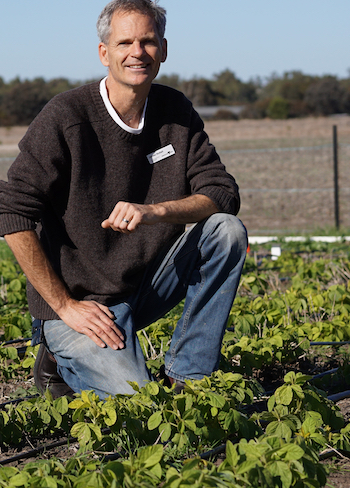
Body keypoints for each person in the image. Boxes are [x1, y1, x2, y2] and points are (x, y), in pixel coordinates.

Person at [0, 0, 247, 399]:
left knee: (226, 231)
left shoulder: (175, 111)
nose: (138, 52)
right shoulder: (67, 116)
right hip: (82, 303)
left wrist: (158, 211)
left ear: (163, 49)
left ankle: (189, 377)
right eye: (124, 42)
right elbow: (10, 211)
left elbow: (221, 193)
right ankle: (56, 353)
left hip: (145, 287)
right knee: (137, 399)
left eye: (148, 41)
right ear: (104, 53)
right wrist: (64, 306)